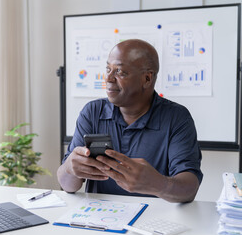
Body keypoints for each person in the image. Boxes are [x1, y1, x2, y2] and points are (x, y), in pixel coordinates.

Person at [57, 39, 203, 203]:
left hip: (154, 222)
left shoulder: (176, 117)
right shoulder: (92, 112)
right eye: (108, 69)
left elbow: (190, 188)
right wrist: (70, 168)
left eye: (120, 72)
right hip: (100, 218)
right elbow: (67, 185)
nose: (109, 78)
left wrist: (159, 184)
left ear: (147, 79)